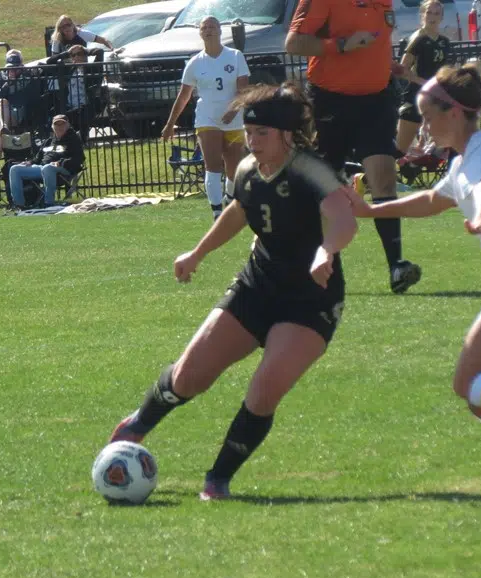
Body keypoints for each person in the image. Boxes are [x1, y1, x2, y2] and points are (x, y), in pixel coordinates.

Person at [109, 83, 358, 500]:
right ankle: (137, 425)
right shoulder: (246, 168)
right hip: (257, 285)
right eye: (249, 132)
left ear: (285, 135)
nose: (252, 141)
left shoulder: (310, 168)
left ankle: (217, 479)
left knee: (263, 391)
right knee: (190, 375)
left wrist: (326, 251)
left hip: (309, 299)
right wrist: (197, 253)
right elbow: (240, 211)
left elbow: (343, 219)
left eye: (262, 134)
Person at [349, 63, 481, 468]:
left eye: (427, 118)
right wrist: (370, 212)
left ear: (454, 113)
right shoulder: (463, 162)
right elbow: (432, 201)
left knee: (469, 384)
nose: (423, 128)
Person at [285, 0, 422, 294]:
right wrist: (342, 44)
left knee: (384, 176)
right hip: (330, 99)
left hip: (377, 99)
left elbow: (376, 41)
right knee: (325, 185)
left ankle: (396, 266)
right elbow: (294, 43)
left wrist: (386, 66)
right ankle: (318, 265)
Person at [161, 16, 250, 220]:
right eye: (205, 27)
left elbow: (243, 89)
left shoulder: (235, 56)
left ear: (220, 30)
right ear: (200, 33)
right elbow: (184, 96)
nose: (209, 30)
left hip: (234, 120)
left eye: (212, 26)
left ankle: (229, 196)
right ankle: (217, 211)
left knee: (233, 168)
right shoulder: (195, 63)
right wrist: (170, 124)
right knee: (212, 165)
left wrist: (233, 110)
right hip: (207, 119)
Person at [395, 0, 451, 155]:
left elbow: (445, 71)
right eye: (429, 13)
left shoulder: (444, 42)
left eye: (436, 13)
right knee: (399, 151)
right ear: (422, 15)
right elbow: (402, 70)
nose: (432, 17)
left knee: (445, 145)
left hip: (436, 100)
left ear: (441, 17)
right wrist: (425, 83)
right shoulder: (417, 39)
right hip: (415, 98)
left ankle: (417, 160)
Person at [8, 114, 85, 208]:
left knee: (48, 168)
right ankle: (19, 204)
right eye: (57, 125)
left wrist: (60, 163)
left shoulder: (73, 140)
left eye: (62, 125)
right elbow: (37, 158)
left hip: (63, 170)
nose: (59, 127)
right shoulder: (49, 141)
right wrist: (30, 162)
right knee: (15, 169)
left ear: (68, 125)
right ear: (53, 127)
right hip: (42, 168)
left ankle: (49, 203)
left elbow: (79, 158)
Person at [46, 45, 105, 141]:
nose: (76, 57)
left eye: (80, 54)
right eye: (73, 55)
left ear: (85, 55)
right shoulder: (68, 69)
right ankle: (61, 141)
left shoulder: (92, 69)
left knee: (83, 114)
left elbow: (100, 51)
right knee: (57, 115)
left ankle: (82, 140)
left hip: (87, 105)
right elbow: (49, 62)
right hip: (69, 106)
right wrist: (67, 53)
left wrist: (85, 50)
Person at [0, 50, 43, 152]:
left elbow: (33, 97)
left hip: (22, 110)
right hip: (6, 111)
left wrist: (18, 81)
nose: (12, 71)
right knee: (2, 101)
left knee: (2, 122)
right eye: (10, 68)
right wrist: (7, 84)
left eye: (15, 68)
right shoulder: (2, 76)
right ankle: (4, 127)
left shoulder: (29, 76)